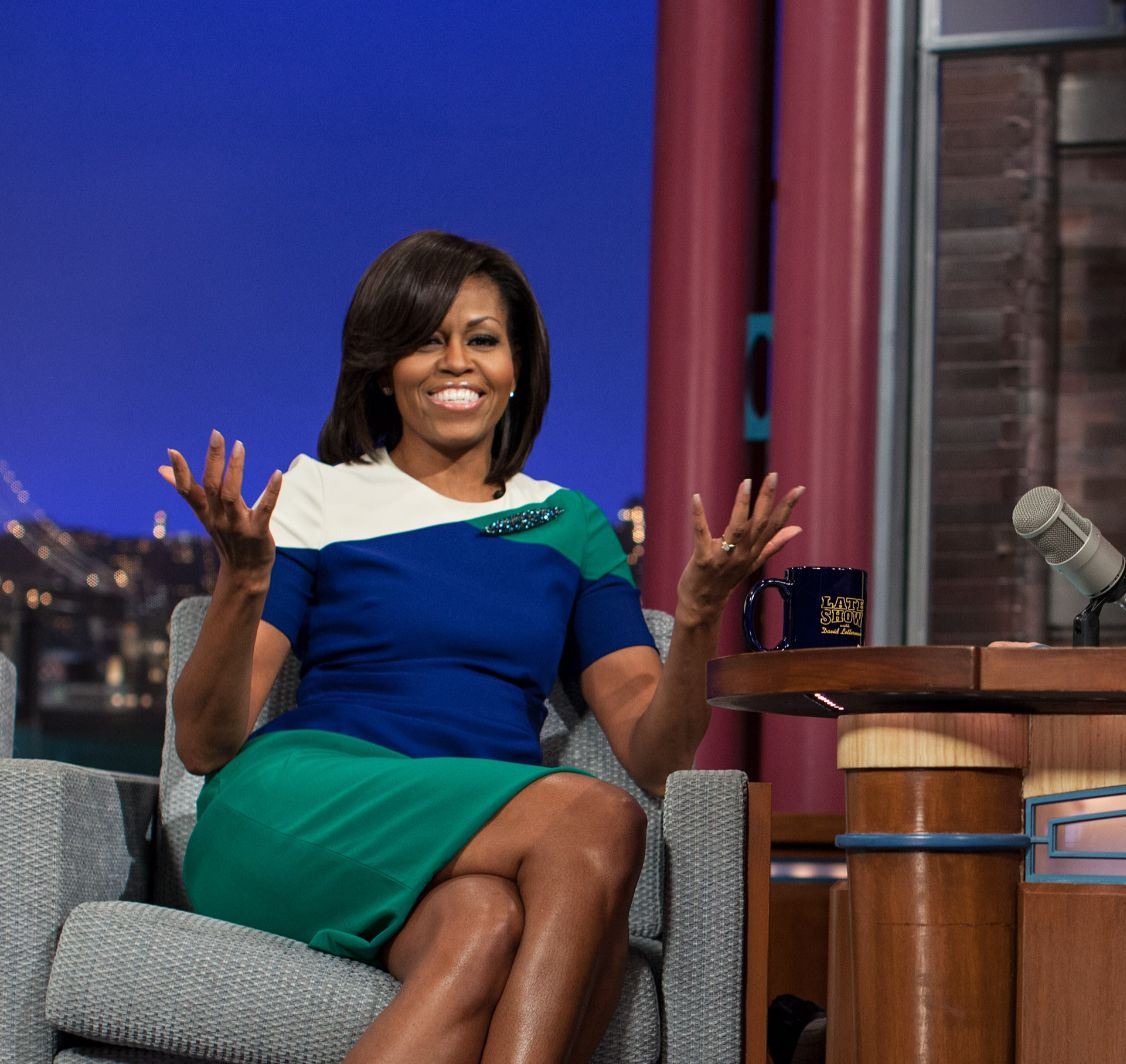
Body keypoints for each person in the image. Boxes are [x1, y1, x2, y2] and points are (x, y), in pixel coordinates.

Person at [159, 230, 803, 1063]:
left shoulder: (567, 524)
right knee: (597, 817)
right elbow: (206, 743)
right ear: (384, 367)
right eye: (427, 339)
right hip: (300, 807)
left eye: (482, 340)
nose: (457, 362)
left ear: (516, 368)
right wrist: (244, 579)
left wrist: (700, 615)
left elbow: (657, 752)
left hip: (471, 842)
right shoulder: (318, 493)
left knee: (486, 923)